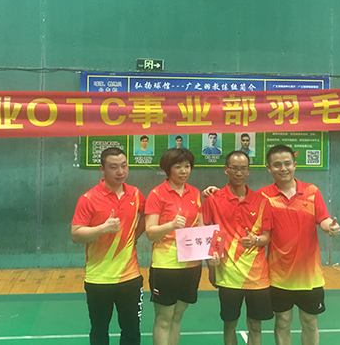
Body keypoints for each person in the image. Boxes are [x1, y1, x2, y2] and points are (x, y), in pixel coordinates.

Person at [260, 144, 340, 345]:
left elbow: (323, 219)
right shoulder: (264, 195)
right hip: (279, 275)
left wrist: (330, 227)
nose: (283, 168)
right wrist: (214, 192)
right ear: (269, 168)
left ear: (295, 165)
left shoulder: (312, 191)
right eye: (277, 165)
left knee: (310, 322)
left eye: (287, 163)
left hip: (309, 275)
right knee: (282, 321)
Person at [71, 147, 146, 345]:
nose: (120, 172)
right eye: (113, 167)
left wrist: (134, 236)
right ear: (102, 169)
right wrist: (103, 228)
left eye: (124, 166)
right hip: (99, 278)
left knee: (132, 330)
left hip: (130, 277)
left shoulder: (135, 194)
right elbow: (76, 235)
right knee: (99, 329)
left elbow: (148, 215)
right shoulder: (88, 199)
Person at [202, 151, 273, 345]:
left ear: (249, 171)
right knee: (229, 325)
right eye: (234, 168)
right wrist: (211, 266)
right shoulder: (213, 199)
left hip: (257, 276)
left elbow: (266, 236)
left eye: (243, 169)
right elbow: (208, 231)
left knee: (255, 325)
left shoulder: (262, 201)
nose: (239, 173)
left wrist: (255, 240)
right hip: (228, 275)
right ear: (226, 170)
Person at [144, 148, 203, 345]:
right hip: (166, 265)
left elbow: (200, 226)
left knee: (178, 316)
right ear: (168, 169)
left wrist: (211, 250)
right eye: (178, 167)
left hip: (191, 265)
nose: (184, 171)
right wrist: (171, 225)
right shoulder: (156, 194)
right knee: (164, 318)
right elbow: (150, 232)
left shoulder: (194, 192)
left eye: (187, 166)